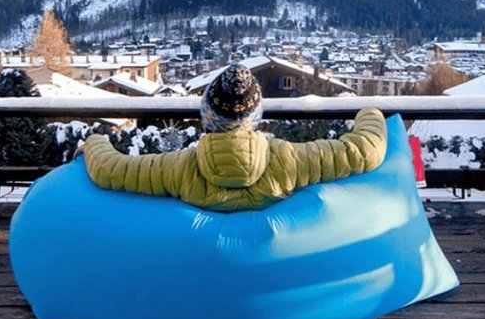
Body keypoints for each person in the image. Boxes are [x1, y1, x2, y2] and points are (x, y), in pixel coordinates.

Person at [79, 63, 387, 212]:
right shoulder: (292, 161)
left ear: (207, 116)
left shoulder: (178, 168)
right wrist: (370, 111)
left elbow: (110, 170)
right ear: (255, 117)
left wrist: (96, 141)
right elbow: (364, 149)